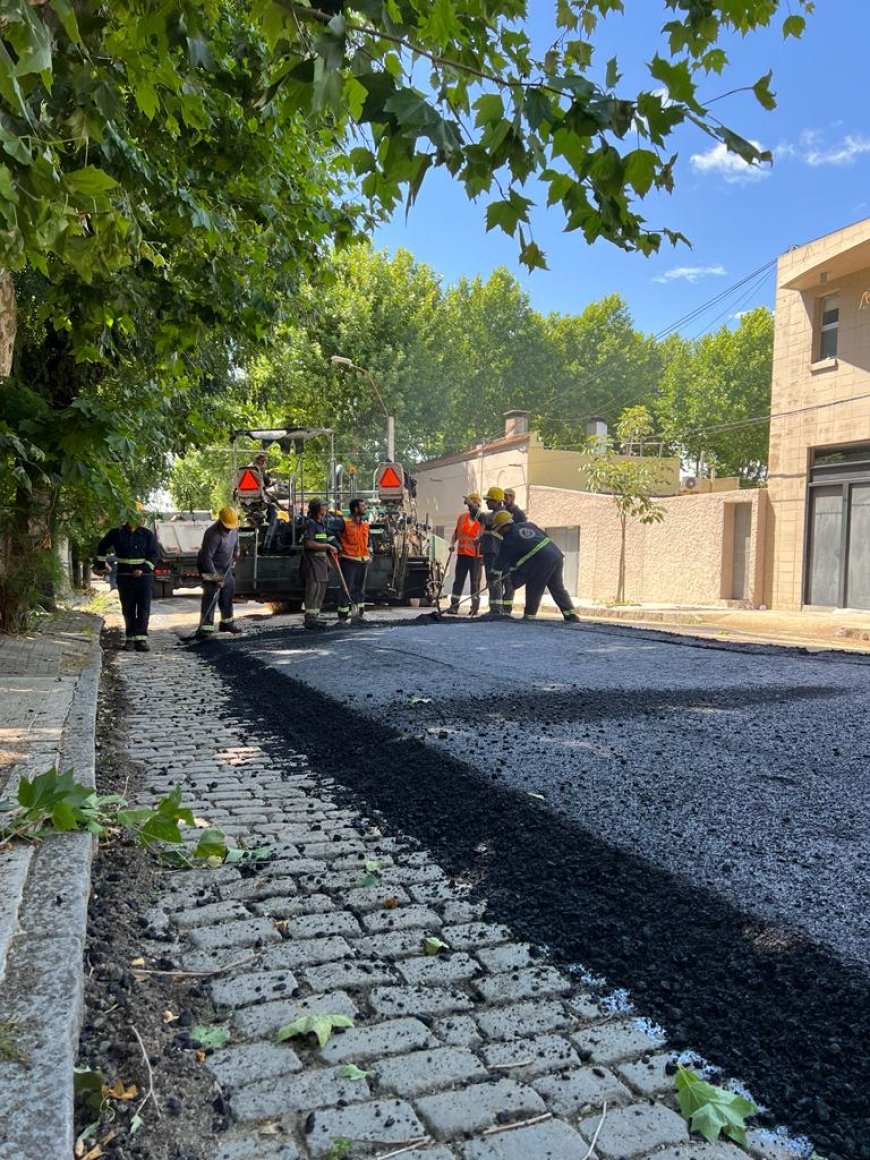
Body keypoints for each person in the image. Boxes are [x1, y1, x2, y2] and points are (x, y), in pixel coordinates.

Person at [490, 510, 580, 623]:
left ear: (504, 527)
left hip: (542, 561)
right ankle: (571, 615)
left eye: (499, 530)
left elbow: (501, 562)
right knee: (557, 587)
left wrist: (493, 577)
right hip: (556, 555)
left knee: (534, 586)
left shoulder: (509, 539)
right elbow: (543, 537)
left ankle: (529, 616)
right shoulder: (528, 525)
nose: (500, 533)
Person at [94, 514, 161, 651]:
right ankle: (130, 638)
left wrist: (143, 569)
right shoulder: (116, 533)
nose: (142, 519)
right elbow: (101, 547)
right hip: (124, 577)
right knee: (128, 608)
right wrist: (100, 566)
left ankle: (141, 639)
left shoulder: (147, 534)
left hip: (144, 578)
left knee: (143, 609)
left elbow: (155, 554)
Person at [195, 507, 242, 638]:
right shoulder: (212, 534)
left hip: (225, 567)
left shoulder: (233, 527)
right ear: (221, 522)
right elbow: (206, 558)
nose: (230, 529)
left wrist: (237, 550)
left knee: (228, 590)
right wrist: (216, 578)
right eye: (227, 526)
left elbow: (236, 539)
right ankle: (205, 628)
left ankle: (227, 622)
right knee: (211, 595)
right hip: (209, 567)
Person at [476, 486, 515, 618]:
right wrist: (480, 538)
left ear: (497, 501)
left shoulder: (496, 515)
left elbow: (481, 518)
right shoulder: (499, 514)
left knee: (494, 579)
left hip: (493, 551)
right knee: (495, 579)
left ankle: (496, 608)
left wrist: (471, 505)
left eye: (489, 500)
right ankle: (498, 608)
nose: (486, 503)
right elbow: (489, 532)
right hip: (493, 550)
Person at [301, 498, 338, 630]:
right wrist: (328, 545)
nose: (326, 508)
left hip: (321, 561)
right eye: (323, 506)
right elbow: (309, 543)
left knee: (321, 589)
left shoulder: (321, 524)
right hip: (312, 560)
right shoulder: (311, 524)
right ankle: (309, 618)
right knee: (313, 588)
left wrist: (328, 560)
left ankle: (315, 616)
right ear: (317, 508)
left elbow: (322, 543)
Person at [445, 493, 482, 616]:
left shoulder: (482, 519)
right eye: (469, 504)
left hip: (476, 557)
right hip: (462, 555)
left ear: (478, 505)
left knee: (474, 583)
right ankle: (454, 606)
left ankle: (475, 607)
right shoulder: (462, 518)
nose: (470, 507)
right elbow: (456, 533)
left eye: (473, 504)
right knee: (458, 581)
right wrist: (452, 543)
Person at [337, 498, 370, 622]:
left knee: (359, 589)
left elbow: (367, 539)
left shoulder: (365, 523)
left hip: (362, 561)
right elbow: (331, 533)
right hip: (349, 560)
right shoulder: (343, 522)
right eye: (363, 506)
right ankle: (343, 618)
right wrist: (338, 547)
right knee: (347, 589)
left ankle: (358, 616)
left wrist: (370, 550)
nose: (365, 507)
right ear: (356, 508)